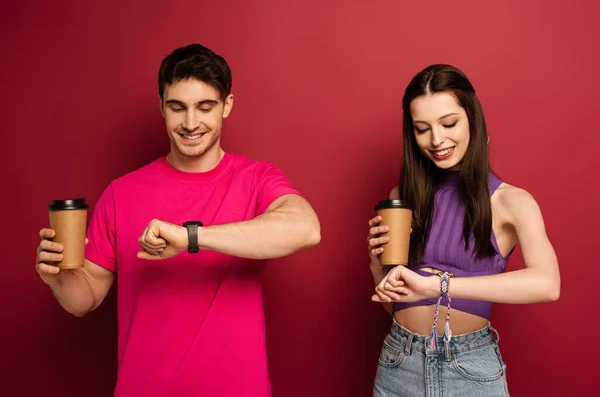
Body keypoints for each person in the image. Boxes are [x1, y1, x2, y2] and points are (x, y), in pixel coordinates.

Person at [35, 43, 321, 396]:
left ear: (226, 106)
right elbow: (84, 299)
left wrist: (190, 238)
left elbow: (306, 228)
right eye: (177, 108)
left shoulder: (256, 178)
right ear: (161, 107)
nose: (190, 123)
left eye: (205, 108)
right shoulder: (121, 193)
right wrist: (58, 278)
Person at [368, 64, 560, 397]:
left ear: (472, 118)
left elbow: (547, 284)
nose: (437, 140)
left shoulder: (511, 201)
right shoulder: (400, 198)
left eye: (449, 123)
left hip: (468, 367)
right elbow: (393, 303)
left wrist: (437, 285)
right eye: (422, 129)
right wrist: (376, 265)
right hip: (399, 362)